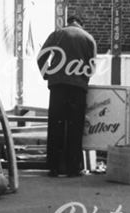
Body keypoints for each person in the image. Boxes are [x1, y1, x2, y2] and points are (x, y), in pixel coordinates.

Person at [37, 15, 97, 178]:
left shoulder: (57, 34)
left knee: (55, 125)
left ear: (68, 22)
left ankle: (54, 167)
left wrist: (47, 73)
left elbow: (42, 56)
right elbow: (92, 65)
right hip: (77, 87)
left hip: (58, 86)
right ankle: (73, 168)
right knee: (75, 127)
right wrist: (83, 79)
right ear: (81, 24)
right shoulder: (88, 38)